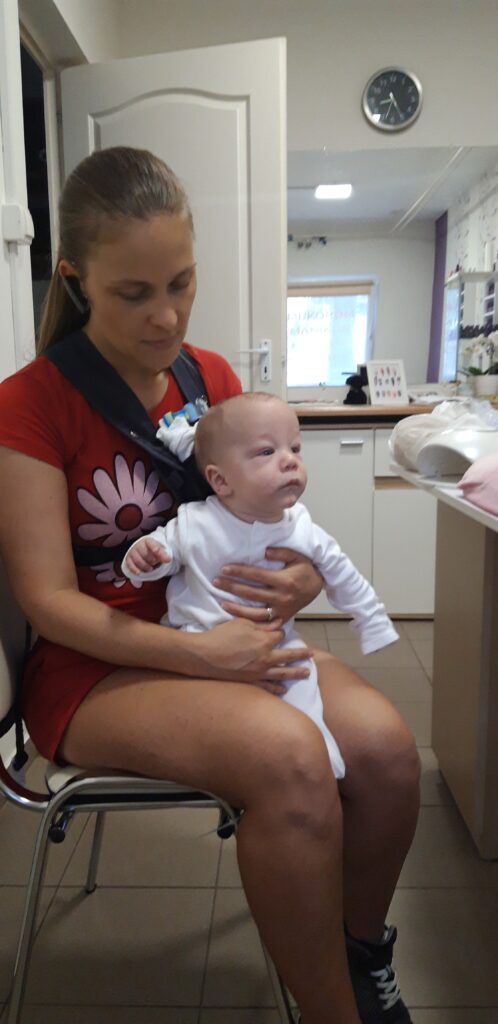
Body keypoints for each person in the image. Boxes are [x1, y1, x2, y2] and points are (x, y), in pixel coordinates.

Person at [0, 146, 420, 1024]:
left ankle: (358, 952)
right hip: (94, 667)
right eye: (134, 293)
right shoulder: (29, 404)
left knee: (385, 753)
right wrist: (207, 658)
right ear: (75, 280)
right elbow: (46, 603)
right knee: (292, 761)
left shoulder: (212, 381)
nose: (167, 316)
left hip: (228, 634)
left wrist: (300, 576)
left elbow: (272, 521)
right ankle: (332, 1012)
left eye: (182, 283)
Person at [122, 391, 401, 783]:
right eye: (267, 452)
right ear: (220, 480)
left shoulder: (301, 527)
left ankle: (318, 743)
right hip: (196, 643)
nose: (290, 460)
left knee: (301, 675)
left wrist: (372, 622)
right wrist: (142, 559)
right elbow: (160, 554)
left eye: (295, 448)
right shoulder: (195, 522)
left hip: (272, 643)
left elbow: (344, 574)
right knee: (253, 732)